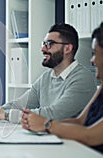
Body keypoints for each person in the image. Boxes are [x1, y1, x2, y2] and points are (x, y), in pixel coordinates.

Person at [0, 23, 97, 121]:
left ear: (67, 49)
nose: (43, 49)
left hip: (71, 144)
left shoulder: (83, 79)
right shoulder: (46, 78)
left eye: (49, 44)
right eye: (43, 44)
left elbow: (53, 114)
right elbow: (19, 104)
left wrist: (6, 114)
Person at [21, 22, 103, 154]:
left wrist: (47, 125)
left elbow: (90, 135)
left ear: (67, 49)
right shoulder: (102, 88)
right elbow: (80, 121)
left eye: (95, 53)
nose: (92, 60)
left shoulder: (83, 78)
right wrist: (42, 124)